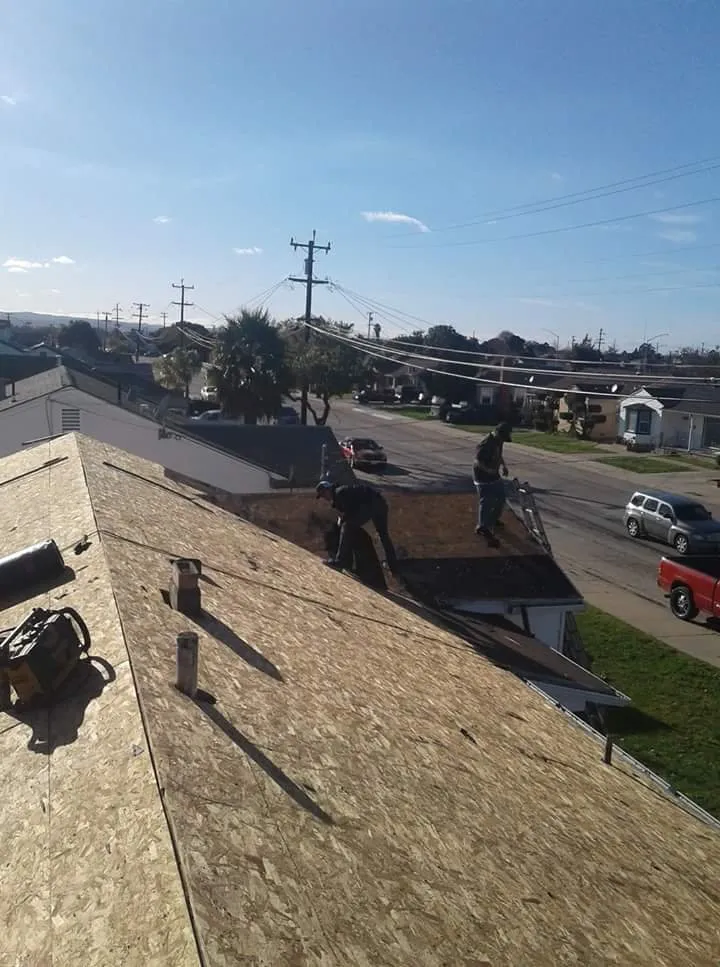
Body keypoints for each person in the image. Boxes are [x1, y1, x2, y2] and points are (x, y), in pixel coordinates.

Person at [316, 480, 398, 573]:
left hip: (370, 504)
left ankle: (341, 561)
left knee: (347, 527)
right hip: (380, 503)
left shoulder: (340, 493)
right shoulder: (341, 491)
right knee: (384, 536)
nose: (324, 498)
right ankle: (394, 566)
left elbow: (351, 511)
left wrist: (343, 520)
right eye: (322, 496)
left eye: (323, 494)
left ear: (328, 489)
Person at [472, 422, 512, 547]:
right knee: (486, 501)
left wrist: (504, 466)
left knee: (501, 498)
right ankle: (482, 527)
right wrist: (488, 470)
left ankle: (493, 520)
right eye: (502, 438)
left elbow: (499, 454)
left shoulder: (499, 441)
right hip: (482, 477)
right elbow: (478, 461)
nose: (503, 441)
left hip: (494, 475)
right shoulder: (486, 444)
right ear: (498, 433)